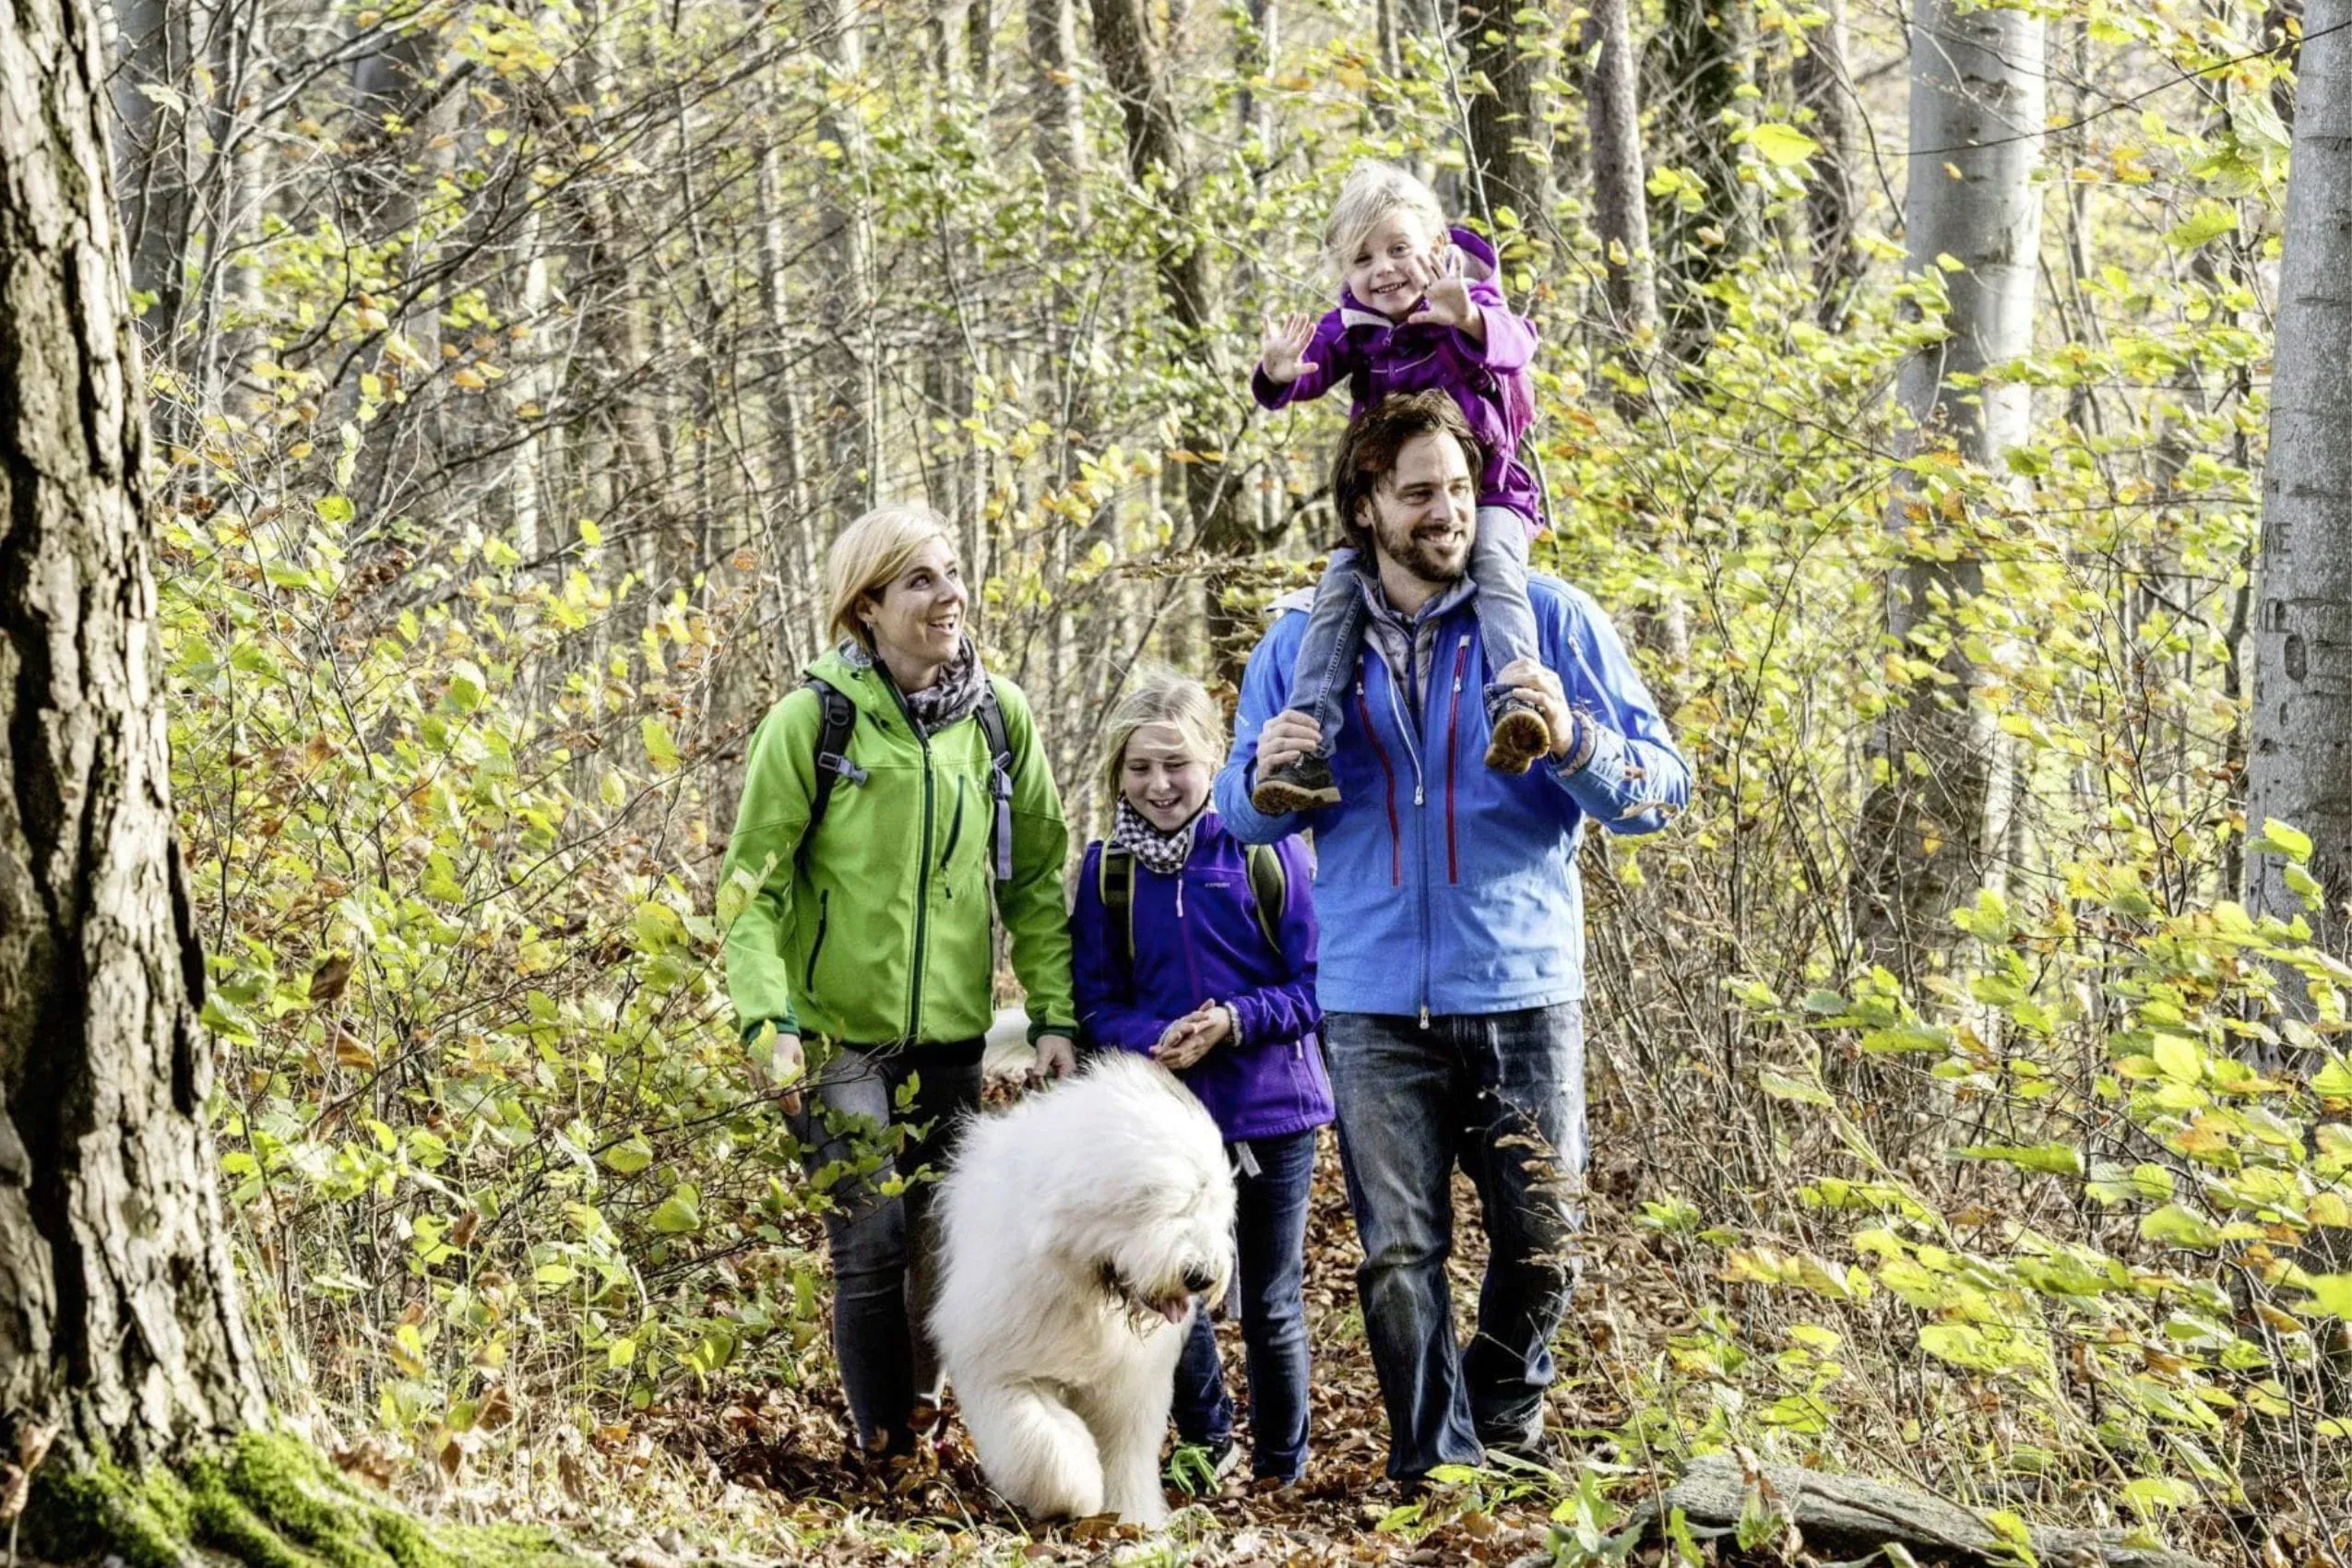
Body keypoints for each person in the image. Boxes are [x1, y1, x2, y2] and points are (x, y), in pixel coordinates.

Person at [1213, 392, 1690, 1487]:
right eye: (1419, 491)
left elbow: (1663, 787)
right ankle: (1436, 1470)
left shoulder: (1553, 619)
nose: (1447, 512)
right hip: (1374, 999)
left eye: (1462, 489)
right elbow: (1241, 818)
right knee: (1398, 1254)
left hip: (1522, 985)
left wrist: (1572, 741)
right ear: (1367, 506)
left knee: (1544, 1239)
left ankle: (1501, 1422)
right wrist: (1261, 773)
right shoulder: (1299, 645)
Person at [719, 503, 1078, 1462]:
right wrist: (770, 1021)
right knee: (871, 1249)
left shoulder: (999, 720)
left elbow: (1037, 878)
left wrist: (1054, 1012)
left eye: (952, 571)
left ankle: (915, 1427)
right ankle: (888, 1451)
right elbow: (750, 886)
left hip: (952, 1037)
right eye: (920, 579)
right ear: (866, 606)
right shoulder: (814, 721)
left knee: (939, 1251)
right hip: (836, 1037)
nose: (948, 593)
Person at [1068, 669, 1331, 1489]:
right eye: (1140, 768)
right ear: (1118, 772)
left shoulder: (1265, 847)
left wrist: (1236, 1021)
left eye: (1176, 764)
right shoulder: (1108, 872)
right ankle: (1205, 1445)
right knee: (1176, 1298)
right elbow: (1097, 1001)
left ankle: (1283, 1467)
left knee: (1272, 1299)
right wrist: (1155, 1038)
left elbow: (1320, 983)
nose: (1158, 785)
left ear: (1215, 761)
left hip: (1273, 1110)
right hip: (1166, 1125)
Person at [1250, 160, 1550, 814]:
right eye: (1362, 259)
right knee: (1335, 594)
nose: (1383, 269)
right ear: (1345, 274)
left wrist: (1465, 319)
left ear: (1435, 249)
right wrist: (1276, 373)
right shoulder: (1353, 325)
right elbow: (1310, 370)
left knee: (1498, 570)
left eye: (1398, 250)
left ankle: (1518, 702)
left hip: (1488, 491)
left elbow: (1517, 344)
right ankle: (1305, 749)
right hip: (1391, 507)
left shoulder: (1466, 300)